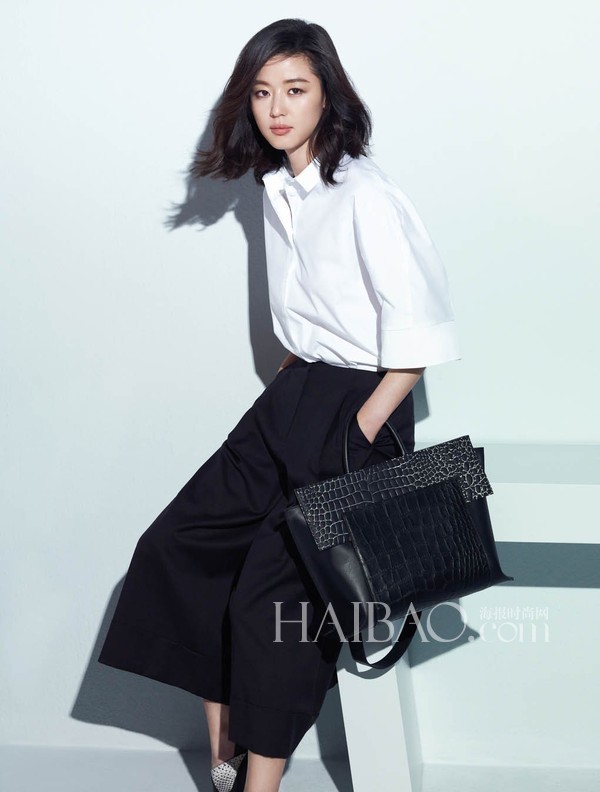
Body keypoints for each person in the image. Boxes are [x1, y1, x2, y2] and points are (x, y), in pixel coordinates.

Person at [97, 17, 461, 792]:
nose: (277, 108)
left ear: (328, 95)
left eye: (295, 90)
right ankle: (224, 752)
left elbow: (421, 332)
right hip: (296, 395)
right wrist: (293, 389)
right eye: (263, 93)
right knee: (177, 547)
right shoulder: (277, 190)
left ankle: (258, 785)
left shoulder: (365, 194)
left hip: (361, 403)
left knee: (274, 601)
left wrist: (358, 427)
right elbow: (310, 316)